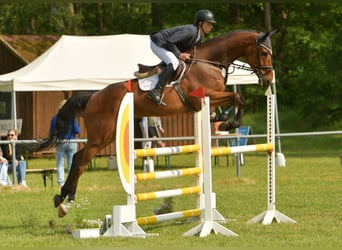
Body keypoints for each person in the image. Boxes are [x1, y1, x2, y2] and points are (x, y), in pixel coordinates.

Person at [147, 9, 216, 106]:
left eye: (212, 24)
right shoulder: (191, 31)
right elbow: (170, 41)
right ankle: (155, 92)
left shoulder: (200, 37)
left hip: (167, 45)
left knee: (177, 62)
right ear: (200, 23)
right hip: (159, 43)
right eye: (209, 24)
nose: (211, 27)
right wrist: (179, 54)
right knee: (174, 62)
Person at [49, 99, 80, 187]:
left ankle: (61, 183)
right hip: (72, 141)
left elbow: (51, 132)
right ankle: (71, 182)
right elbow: (77, 130)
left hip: (60, 141)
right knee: (71, 163)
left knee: (60, 163)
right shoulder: (72, 118)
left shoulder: (55, 118)